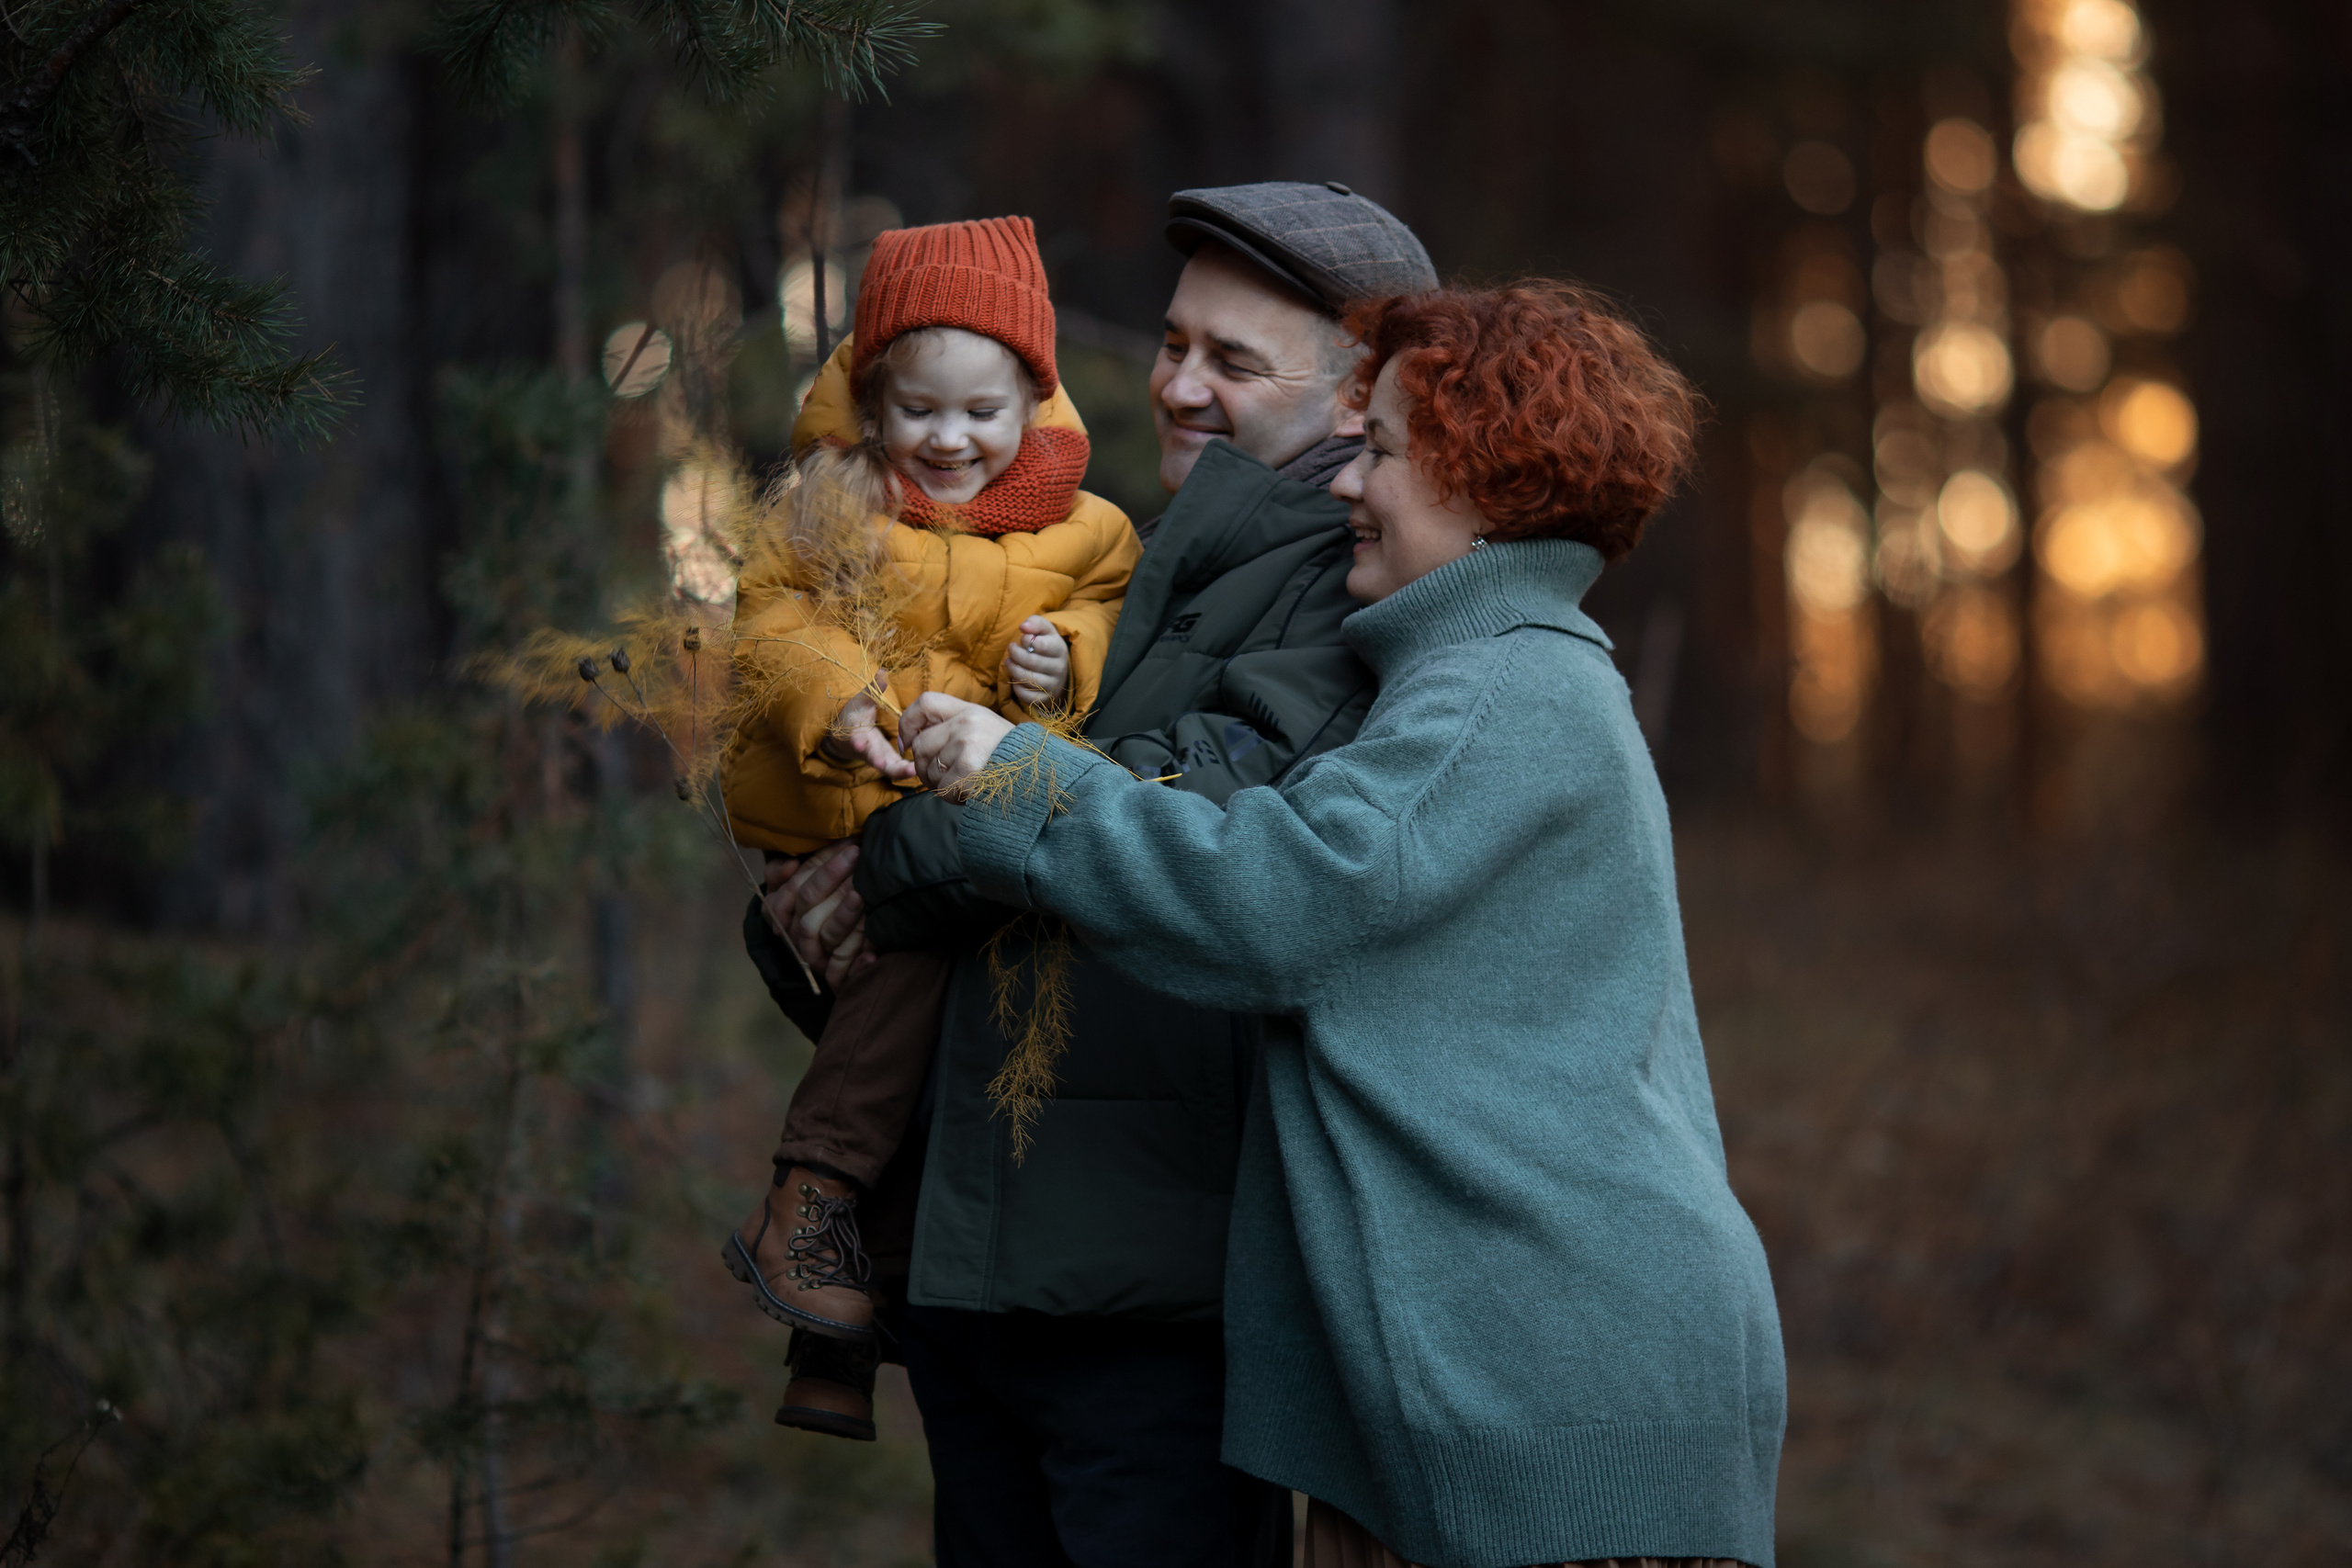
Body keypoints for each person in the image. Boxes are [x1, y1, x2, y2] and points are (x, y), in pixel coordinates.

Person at [895, 281, 1786, 1568]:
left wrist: (1020, 775)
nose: (1345, 488)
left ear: (1484, 482)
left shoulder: (1495, 691)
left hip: (1556, 1384)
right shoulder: (1510, 674)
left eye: (1378, 454)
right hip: (1521, 1365)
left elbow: (1277, 900)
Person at [747, 183, 1440, 1565]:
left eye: (1231, 362)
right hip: (986, 1258)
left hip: (1152, 1289)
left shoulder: (1351, 582)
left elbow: (1160, 814)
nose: (1179, 385)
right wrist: (813, 871)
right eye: (1175, 343)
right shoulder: (1142, 551)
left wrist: (879, 859)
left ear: (1363, 391)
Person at [718, 215, 1138, 1442]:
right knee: (909, 966)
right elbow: (773, 624)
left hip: (952, 824)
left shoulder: (1091, 534)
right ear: (872, 402)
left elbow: (1099, 632)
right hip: (836, 807)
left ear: (1034, 402)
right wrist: (835, 693)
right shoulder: (824, 505)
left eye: (981, 413)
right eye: (917, 411)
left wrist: (1062, 670)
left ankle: (836, 1341)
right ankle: (808, 1197)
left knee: (936, 1038)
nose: (949, 439)